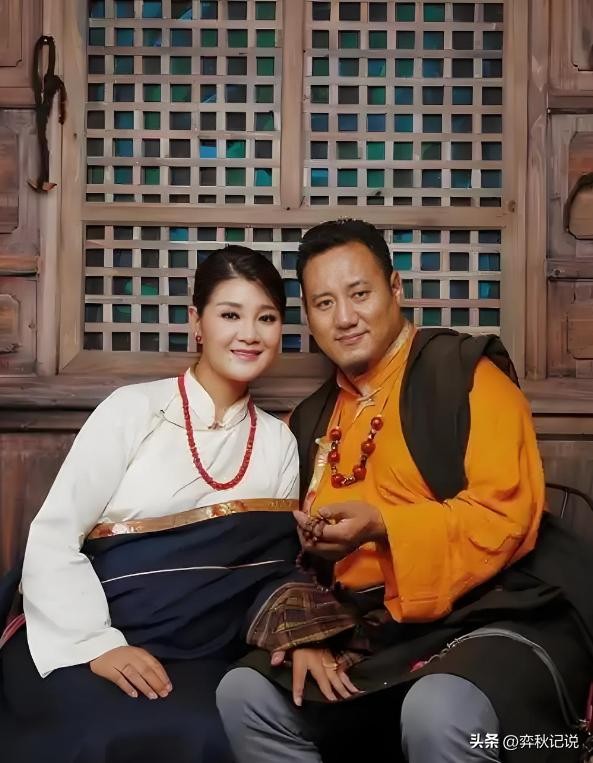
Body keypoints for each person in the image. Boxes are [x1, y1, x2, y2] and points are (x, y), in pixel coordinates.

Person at [216, 219, 593, 763]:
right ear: (309, 317)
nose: (345, 318)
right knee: (246, 693)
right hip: (372, 633)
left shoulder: (466, 377)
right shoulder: (308, 421)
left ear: (395, 288)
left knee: (438, 710)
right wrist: (306, 628)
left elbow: (504, 516)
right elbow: (286, 559)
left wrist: (383, 527)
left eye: (359, 294)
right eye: (324, 303)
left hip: (495, 611)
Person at [0, 245, 301, 763]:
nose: (250, 334)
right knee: (104, 732)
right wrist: (100, 645)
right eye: (230, 315)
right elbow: (55, 536)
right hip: (81, 632)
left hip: (207, 650)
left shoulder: (278, 442)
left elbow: (270, 567)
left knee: (218, 731)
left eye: (266, 318)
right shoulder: (133, 410)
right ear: (197, 323)